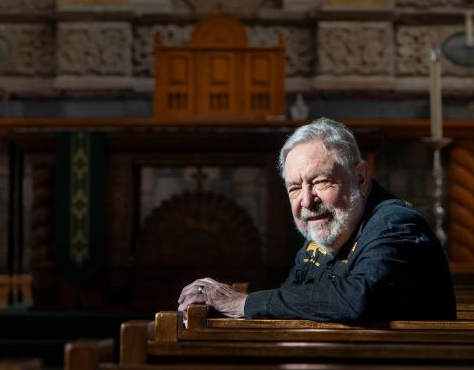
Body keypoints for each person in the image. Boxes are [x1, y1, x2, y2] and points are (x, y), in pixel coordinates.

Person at [178, 118, 456, 321]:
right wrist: (222, 310)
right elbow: (292, 303)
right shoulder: (327, 233)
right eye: (295, 188)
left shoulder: (396, 224)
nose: (307, 201)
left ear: (360, 178)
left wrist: (243, 303)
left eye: (321, 182)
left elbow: (356, 300)